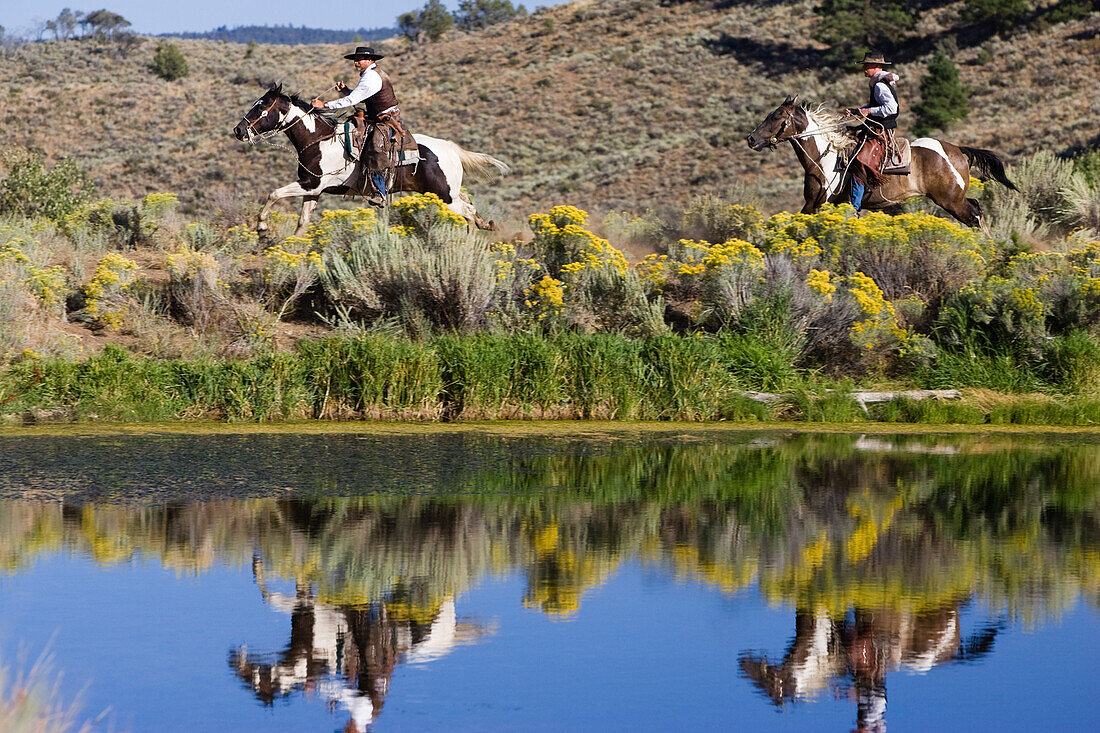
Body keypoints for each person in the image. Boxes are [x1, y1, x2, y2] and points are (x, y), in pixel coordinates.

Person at [312, 46, 406, 207]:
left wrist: (324, 105)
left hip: (385, 121)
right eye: (356, 58)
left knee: (374, 149)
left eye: (360, 58)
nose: (356, 61)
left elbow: (352, 101)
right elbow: (361, 96)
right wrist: (347, 90)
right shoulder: (371, 74)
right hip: (376, 118)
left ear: (370, 60)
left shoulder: (371, 77)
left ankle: (379, 192)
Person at [843, 52, 901, 213]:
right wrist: (858, 111)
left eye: (866, 66)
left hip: (879, 132)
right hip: (874, 129)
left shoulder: (880, 85)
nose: (863, 68)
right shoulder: (878, 83)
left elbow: (891, 108)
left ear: (876, 67)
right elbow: (874, 105)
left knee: (861, 163)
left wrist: (868, 111)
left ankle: (854, 209)